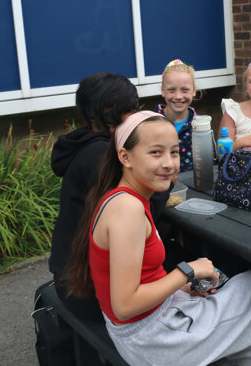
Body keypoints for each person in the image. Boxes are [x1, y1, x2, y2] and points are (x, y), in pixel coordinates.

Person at [66, 111, 251, 365]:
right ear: (125, 157)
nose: (169, 164)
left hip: (148, 322)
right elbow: (125, 306)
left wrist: (178, 287)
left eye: (173, 152)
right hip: (152, 339)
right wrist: (187, 272)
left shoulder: (120, 197)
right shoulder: (128, 210)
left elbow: (141, 277)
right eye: (156, 152)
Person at [50, 72, 142, 321]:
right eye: (129, 108)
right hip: (83, 288)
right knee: (180, 265)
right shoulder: (100, 157)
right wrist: (162, 188)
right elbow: (134, 220)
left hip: (69, 274)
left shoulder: (84, 143)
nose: (134, 115)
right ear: (106, 110)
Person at [155, 59, 201, 172]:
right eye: (171, 90)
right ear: (163, 91)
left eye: (185, 90)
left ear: (194, 91)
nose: (178, 96)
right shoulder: (150, 123)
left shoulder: (200, 125)